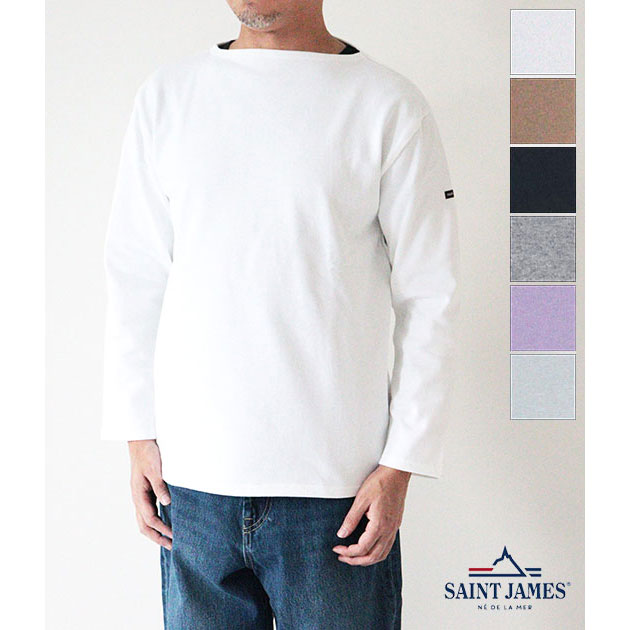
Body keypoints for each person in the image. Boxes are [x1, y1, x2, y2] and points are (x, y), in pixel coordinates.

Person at [101, 1, 460, 628]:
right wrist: (137, 433)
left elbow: (430, 293)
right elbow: (136, 274)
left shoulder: (387, 104)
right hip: (192, 484)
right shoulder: (169, 96)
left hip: (337, 489)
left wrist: (402, 462)